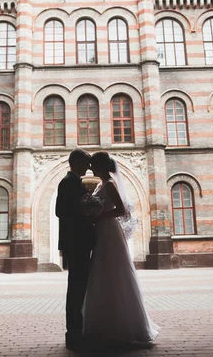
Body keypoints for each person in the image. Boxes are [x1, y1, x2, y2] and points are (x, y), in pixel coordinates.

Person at [82, 151, 160, 347]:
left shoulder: (109, 184)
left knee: (114, 273)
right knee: (102, 274)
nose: (90, 168)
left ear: (100, 166)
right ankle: (106, 324)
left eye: (93, 165)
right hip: (103, 230)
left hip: (109, 230)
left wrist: (100, 216)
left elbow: (121, 210)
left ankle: (123, 325)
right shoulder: (102, 184)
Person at [55, 148, 96, 350]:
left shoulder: (74, 182)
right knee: (76, 289)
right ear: (76, 163)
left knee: (78, 287)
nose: (88, 168)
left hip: (78, 241)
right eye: (86, 164)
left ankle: (76, 331)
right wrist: (85, 211)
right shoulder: (68, 182)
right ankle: (73, 334)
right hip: (76, 242)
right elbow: (59, 211)